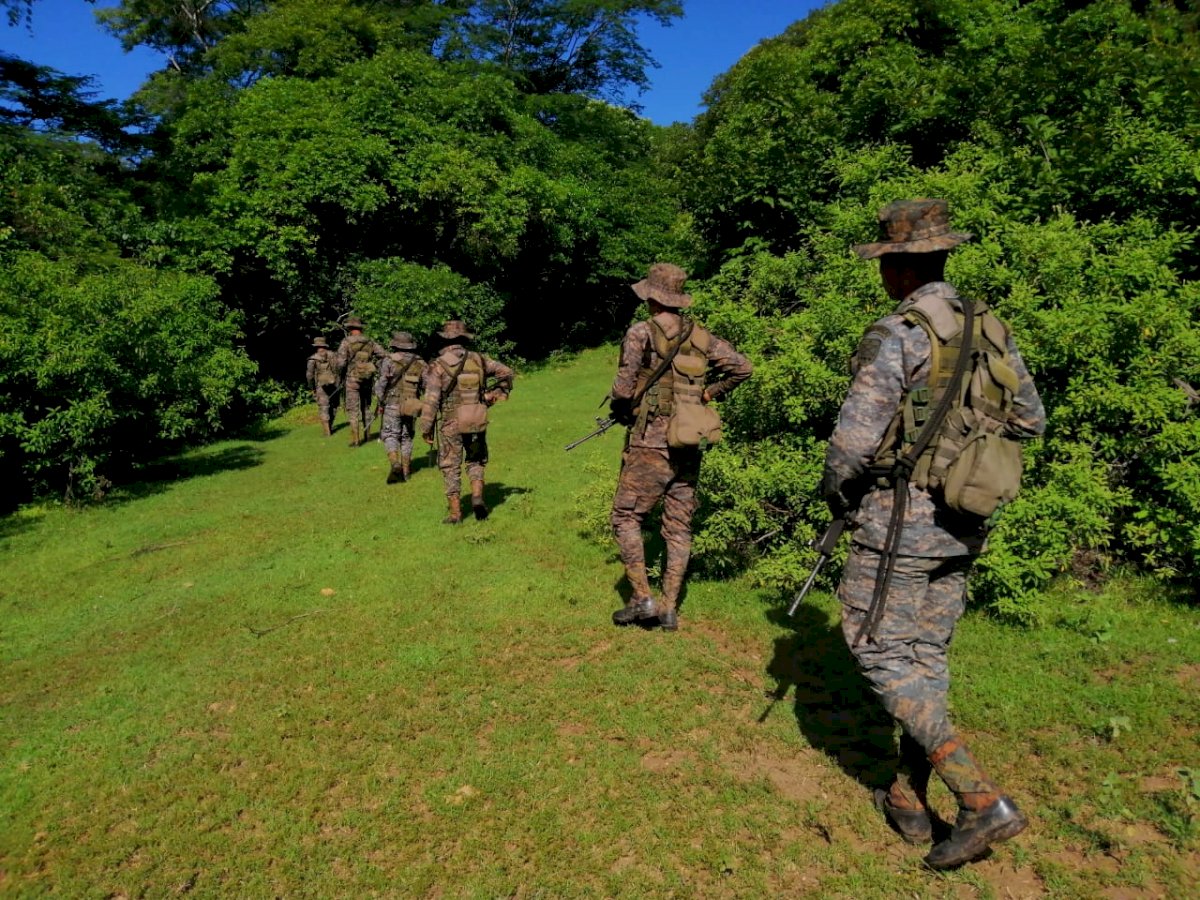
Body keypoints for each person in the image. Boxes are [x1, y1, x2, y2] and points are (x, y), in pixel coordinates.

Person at [821, 199, 1046, 869]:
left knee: (873, 646)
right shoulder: (991, 327)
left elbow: (852, 445)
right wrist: (962, 457)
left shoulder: (900, 332)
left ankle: (980, 800)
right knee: (924, 656)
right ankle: (907, 797)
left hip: (901, 520)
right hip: (968, 517)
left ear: (898, 268)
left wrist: (840, 485)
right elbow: (1030, 420)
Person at [607, 263, 752, 631]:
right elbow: (742, 368)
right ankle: (670, 607)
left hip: (650, 444)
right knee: (678, 526)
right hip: (688, 442)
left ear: (652, 297)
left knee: (626, 516)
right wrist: (708, 393)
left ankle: (643, 600)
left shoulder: (640, 332)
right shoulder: (702, 336)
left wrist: (622, 408)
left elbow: (623, 390)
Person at [419, 321, 514, 524]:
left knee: (450, 465)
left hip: (450, 422)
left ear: (445, 339)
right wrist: (493, 395)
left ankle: (455, 514)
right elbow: (506, 372)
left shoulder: (437, 365)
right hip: (476, 418)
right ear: (463, 339)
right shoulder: (479, 359)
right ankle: (478, 497)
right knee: (476, 459)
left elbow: (431, 400)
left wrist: (426, 428)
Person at [375, 331, 426, 484]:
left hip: (392, 403)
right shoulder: (420, 362)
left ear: (396, 345)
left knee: (390, 434)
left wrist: (380, 400)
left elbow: (381, 384)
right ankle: (406, 471)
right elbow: (426, 385)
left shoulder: (389, 360)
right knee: (407, 436)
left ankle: (395, 463)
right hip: (411, 405)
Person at [335, 316, 387, 447]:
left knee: (353, 410)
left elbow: (341, 363)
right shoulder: (370, 342)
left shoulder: (346, 342)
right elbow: (383, 354)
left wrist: (340, 377)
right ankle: (368, 436)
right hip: (367, 378)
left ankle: (356, 440)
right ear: (360, 328)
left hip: (352, 378)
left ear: (350, 329)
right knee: (366, 407)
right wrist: (372, 363)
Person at [305, 336, 339, 436]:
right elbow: (338, 369)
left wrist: (312, 388)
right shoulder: (333, 355)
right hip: (334, 384)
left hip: (320, 386)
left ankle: (327, 431)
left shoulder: (312, 359)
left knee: (324, 407)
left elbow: (309, 375)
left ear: (316, 346)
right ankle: (330, 425)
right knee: (334, 406)